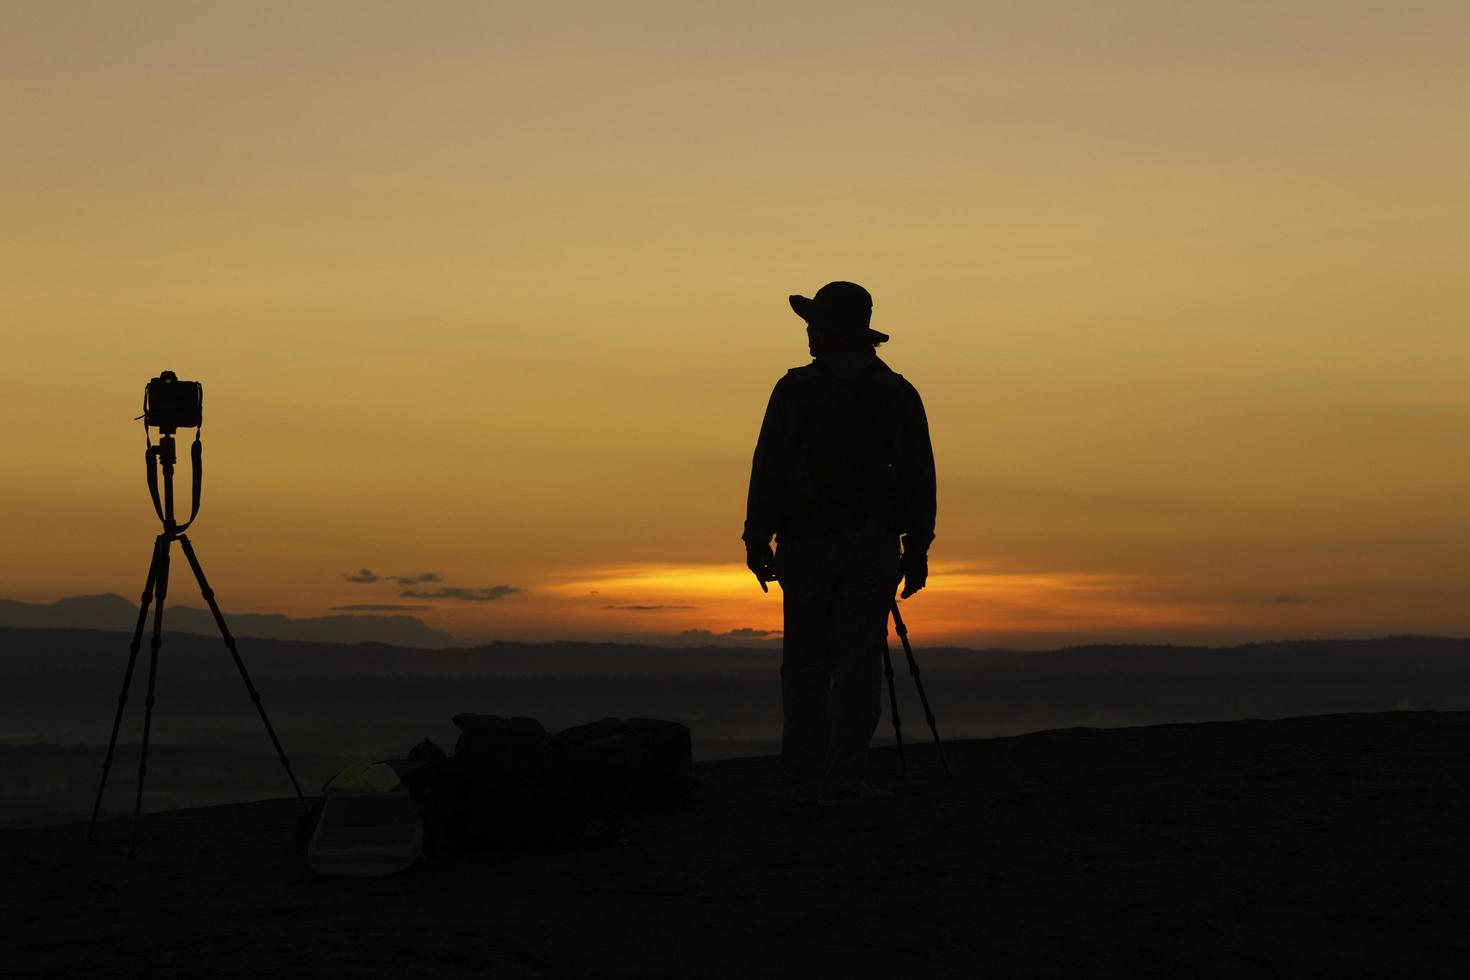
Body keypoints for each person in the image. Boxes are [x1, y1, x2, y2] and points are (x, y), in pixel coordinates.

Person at [743, 281, 936, 804]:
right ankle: (843, 778)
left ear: (827, 332)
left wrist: (756, 536)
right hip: (872, 541)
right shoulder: (897, 391)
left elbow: (770, 467)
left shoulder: (795, 389)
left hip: (806, 540)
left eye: (813, 326)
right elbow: (919, 474)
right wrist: (917, 546)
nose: (807, 334)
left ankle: (805, 776)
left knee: (806, 661)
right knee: (857, 662)